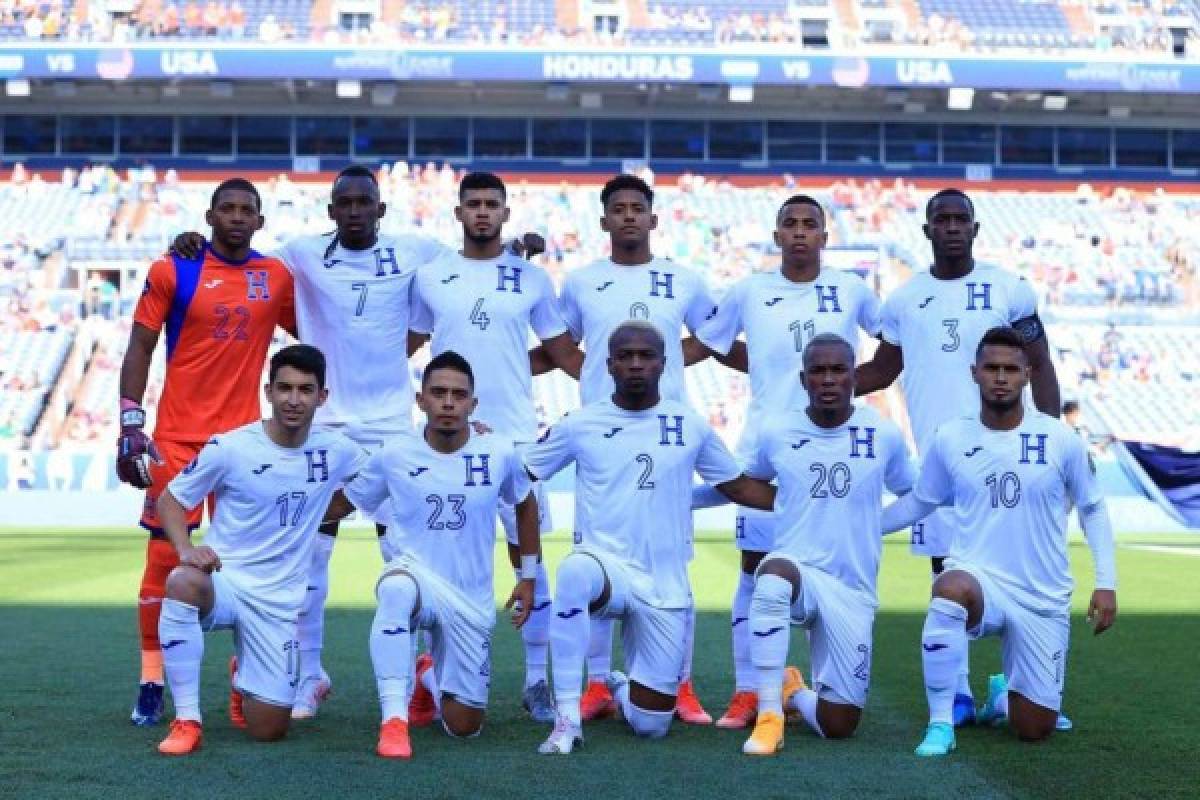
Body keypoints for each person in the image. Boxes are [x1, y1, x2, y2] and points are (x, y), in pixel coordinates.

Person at [171, 165, 543, 720]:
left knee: (408, 552)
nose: (353, 210)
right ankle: (309, 672)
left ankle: (427, 672)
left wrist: (514, 245)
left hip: (392, 423)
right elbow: (244, 253)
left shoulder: (416, 251)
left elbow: (469, 263)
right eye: (342, 202)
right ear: (329, 211)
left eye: (363, 202)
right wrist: (193, 247)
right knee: (310, 553)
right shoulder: (300, 252)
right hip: (326, 422)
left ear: (380, 208)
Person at [854, 188, 1062, 727]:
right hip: (945, 466)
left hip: (1011, 459)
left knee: (1021, 571)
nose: (950, 226)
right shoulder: (903, 300)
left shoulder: (1008, 288)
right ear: (925, 230)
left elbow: (1038, 364)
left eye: (959, 218)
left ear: (975, 227)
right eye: (940, 218)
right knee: (947, 571)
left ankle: (1017, 687)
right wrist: (810, 387)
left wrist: (1052, 443)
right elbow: (881, 372)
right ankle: (964, 695)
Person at [527, 321, 776, 755]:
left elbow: (739, 488)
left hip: (663, 586)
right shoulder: (581, 424)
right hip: (605, 570)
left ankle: (621, 690)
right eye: (625, 356)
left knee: (650, 725)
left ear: (664, 363)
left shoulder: (690, 425)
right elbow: (523, 472)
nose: (636, 363)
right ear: (610, 365)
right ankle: (566, 720)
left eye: (646, 356)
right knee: (573, 571)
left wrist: (810, 499)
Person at [689, 194, 882, 730]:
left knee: (828, 568)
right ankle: (750, 691)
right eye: (790, 224)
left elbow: (892, 346)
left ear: (825, 234)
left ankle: (816, 685)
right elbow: (713, 343)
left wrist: (846, 385)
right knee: (755, 569)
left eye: (810, 224)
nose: (800, 232)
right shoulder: (751, 290)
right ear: (776, 235)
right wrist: (764, 368)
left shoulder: (851, 289)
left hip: (832, 445)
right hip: (768, 446)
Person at [534, 173, 720, 725]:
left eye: (639, 208)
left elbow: (709, 337)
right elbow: (562, 343)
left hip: (663, 435)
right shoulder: (583, 282)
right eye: (619, 209)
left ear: (654, 218)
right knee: (593, 559)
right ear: (604, 220)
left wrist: (671, 364)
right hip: (600, 438)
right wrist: (590, 378)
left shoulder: (682, 280)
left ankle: (679, 685)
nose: (630, 216)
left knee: (673, 562)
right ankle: (595, 685)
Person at [879, 327, 1117, 757]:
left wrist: (1106, 582)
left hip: (1041, 595)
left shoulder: (1060, 439)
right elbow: (920, 501)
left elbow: (1094, 509)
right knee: (949, 589)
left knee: (1034, 729)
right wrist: (863, 527)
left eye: (1011, 368)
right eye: (992, 368)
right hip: (980, 579)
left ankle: (1002, 697)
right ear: (975, 373)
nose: (1001, 377)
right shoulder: (951, 437)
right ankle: (940, 723)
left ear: (1027, 374)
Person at [119, 178, 295, 727]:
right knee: (163, 563)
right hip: (177, 438)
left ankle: (247, 680)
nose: (238, 217)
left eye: (248, 210)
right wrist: (130, 424)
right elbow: (141, 346)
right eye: (229, 209)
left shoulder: (277, 276)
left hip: (245, 447)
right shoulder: (174, 268)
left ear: (260, 222)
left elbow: (321, 328)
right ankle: (152, 682)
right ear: (210, 216)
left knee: (247, 566)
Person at [409, 171, 581, 723]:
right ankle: (429, 674)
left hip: (514, 435)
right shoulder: (432, 276)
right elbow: (404, 344)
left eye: (492, 204)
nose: (482, 211)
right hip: (446, 433)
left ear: (505, 214)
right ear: (457, 213)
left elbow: (560, 352)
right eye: (473, 204)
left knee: (527, 556)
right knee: (437, 553)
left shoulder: (531, 278)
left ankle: (535, 680)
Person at [328, 351, 542, 759]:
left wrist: (527, 577)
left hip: (470, 598)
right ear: (421, 400)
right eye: (438, 393)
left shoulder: (498, 450)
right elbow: (344, 503)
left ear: (472, 405)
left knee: (464, 727)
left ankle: (427, 677)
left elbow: (525, 503)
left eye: (458, 395)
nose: (448, 402)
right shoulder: (394, 453)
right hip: (416, 578)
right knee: (394, 590)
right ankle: (394, 721)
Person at [153, 344, 364, 755]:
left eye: (305, 390)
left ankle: (243, 676)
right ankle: (187, 720)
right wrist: (185, 549)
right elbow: (171, 499)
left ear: (322, 397)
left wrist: (471, 434)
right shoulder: (231, 447)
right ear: (268, 392)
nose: (293, 399)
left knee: (269, 730)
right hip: (225, 582)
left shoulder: (337, 449)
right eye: (284, 388)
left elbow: (379, 478)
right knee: (182, 582)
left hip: (277, 603)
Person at [716, 334, 916, 754]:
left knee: (839, 724)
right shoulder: (778, 432)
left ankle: (792, 692)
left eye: (838, 370)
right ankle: (769, 715)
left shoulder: (882, 434)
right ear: (804, 379)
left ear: (853, 377)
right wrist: (685, 498)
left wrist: (873, 526)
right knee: (771, 575)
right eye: (819, 371)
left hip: (852, 590)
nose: (828, 379)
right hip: (799, 574)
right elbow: (743, 482)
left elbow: (915, 494)